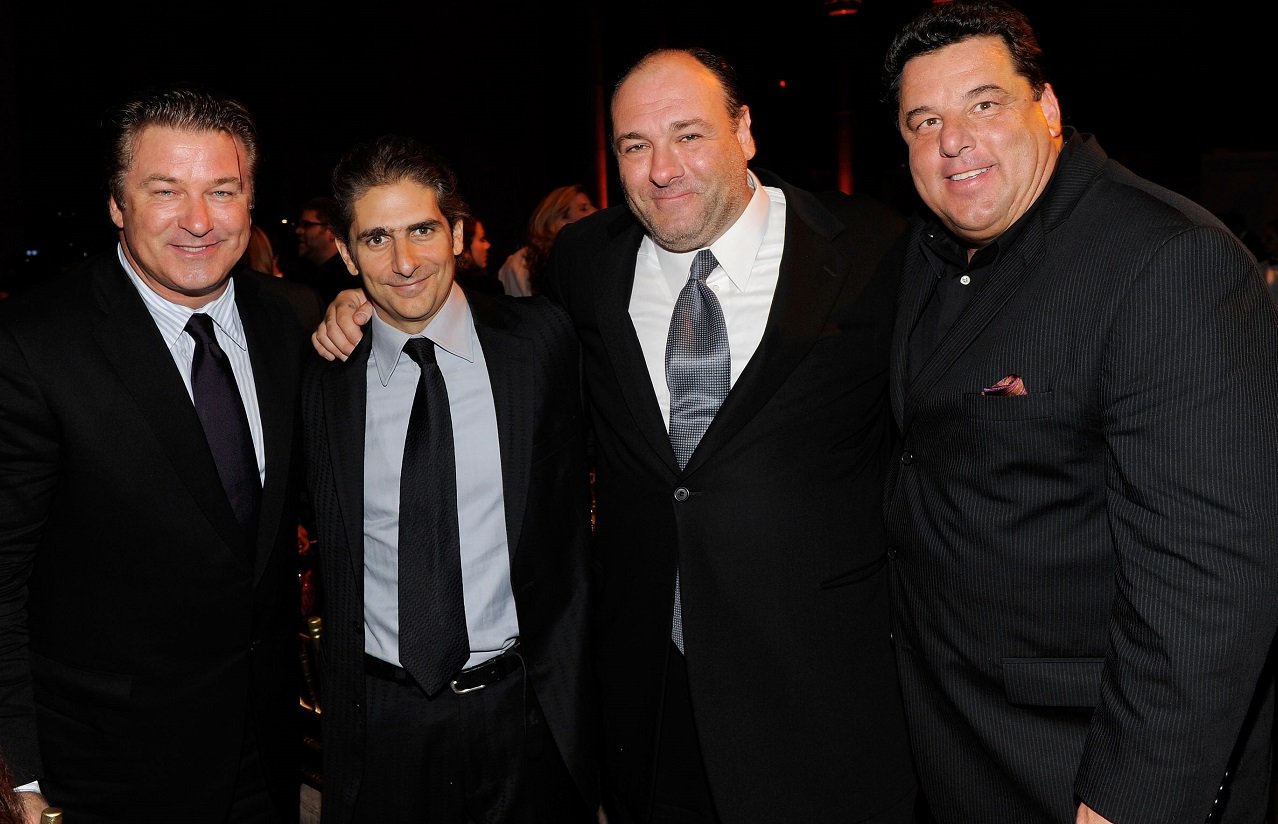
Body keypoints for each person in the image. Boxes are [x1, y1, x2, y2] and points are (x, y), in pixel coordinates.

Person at [314, 47, 918, 823]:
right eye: (635, 145)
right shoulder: (587, 261)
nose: (662, 169)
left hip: (820, 684)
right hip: (647, 689)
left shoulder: (873, 248)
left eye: (689, 135)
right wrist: (358, 309)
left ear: (744, 129)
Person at [880, 2, 1278, 822]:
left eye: (984, 103)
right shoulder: (926, 254)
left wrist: (1133, 798)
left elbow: (1209, 582)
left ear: (1048, 107)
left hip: (1084, 762)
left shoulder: (1167, 260)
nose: (954, 140)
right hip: (960, 747)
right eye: (925, 121)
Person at [0, 86, 309, 823]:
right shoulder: (34, 346)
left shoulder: (294, 323)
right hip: (105, 766)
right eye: (165, 190)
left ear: (250, 202)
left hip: (267, 751)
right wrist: (19, 771)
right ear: (117, 204)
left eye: (222, 191)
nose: (198, 220)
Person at [300, 133, 597, 823]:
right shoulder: (321, 374)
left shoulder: (541, 343)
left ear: (458, 234)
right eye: (376, 239)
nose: (404, 263)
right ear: (346, 254)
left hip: (527, 709)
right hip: (380, 720)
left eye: (422, 230)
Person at [497, 183, 596, 296]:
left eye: (592, 206)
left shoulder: (593, 256)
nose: (594, 211)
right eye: (583, 209)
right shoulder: (521, 263)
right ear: (560, 221)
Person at [290, 195, 351, 302]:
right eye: (299, 224)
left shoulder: (347, 278)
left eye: (307, 225)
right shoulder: (305, 274)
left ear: (332, 231)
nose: (298, 230)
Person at [453, 214, 503, 296]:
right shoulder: (489, 288)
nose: (488, 245)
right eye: (482, 239)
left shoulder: (450, 285)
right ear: (464, 245)